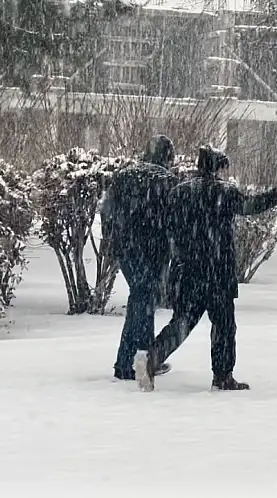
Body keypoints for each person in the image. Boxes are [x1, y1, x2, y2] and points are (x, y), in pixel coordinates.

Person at [132, 145, 277, 392]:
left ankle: (151, 357)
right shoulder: (223, 192)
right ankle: (223, 376)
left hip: (184, 271)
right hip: (216, 272)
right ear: (217, 168)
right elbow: (251, 206)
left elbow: (164, 225)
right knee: (224, 325)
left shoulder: (179, 192)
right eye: (224, 168)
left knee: (182, 322)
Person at [102, 134, 180, 381]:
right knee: (143, 301)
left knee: (141, 300)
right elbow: (174, 221)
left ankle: (137, 360)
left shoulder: (125, 176)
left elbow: (107, 211)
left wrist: (113, 240)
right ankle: (134, 363)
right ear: (168, 157)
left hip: (127, 250)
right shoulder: (168, 181)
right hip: (153, 251)